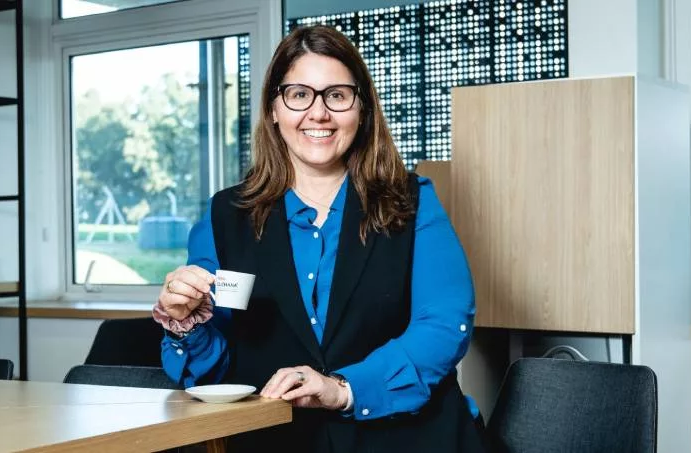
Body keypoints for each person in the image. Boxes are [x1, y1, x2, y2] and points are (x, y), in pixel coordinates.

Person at [153, 25, 484, 453]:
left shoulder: (412, 201)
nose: (318, 113)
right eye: (299, 95)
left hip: (408, 438)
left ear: (361, 109)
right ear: (274, 109)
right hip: (278, 442)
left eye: (337, 95)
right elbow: (214, 367)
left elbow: (443, 323)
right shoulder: (225, 216)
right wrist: (186, 322)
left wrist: (343, 389)